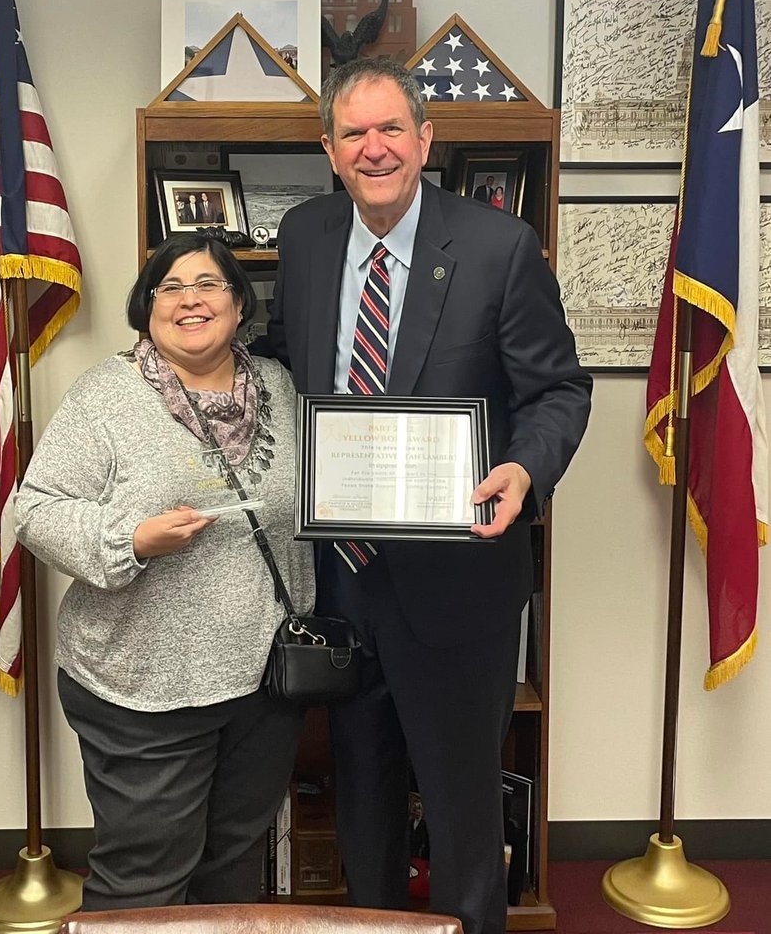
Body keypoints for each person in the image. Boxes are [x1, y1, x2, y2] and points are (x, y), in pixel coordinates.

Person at [260, 57, 591, 934]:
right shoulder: (304, 235)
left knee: (460, 808)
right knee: (360, 792)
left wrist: (525, 468)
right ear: (329, 149)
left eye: (391, 130)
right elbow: (286, 364)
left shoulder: (497, 247)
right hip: (342, 578)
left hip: (460, 584)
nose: (375, 149)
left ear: (425, 141)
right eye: (354, 133)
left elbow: (558, 390)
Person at [15, 232, 314, 912]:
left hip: (263, 685)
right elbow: (33, 511)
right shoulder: (106, 397)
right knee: (144, 878)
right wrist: (132, 540)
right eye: (170, 288)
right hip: (142, 688)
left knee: (234, 861)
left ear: (239, 304)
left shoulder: (280, 387)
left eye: (208, 284)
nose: (190, 300)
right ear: (147, 306)